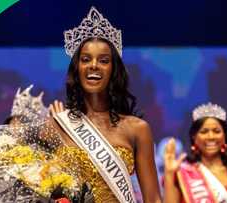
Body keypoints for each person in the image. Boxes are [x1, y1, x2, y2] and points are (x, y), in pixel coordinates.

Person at [48, 6, 162, 203]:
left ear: (113, 70)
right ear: (77, 69)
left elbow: (153, 199)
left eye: (103, 60)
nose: (94, 65)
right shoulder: (57, 125)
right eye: (85, 59)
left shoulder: (137, 129)